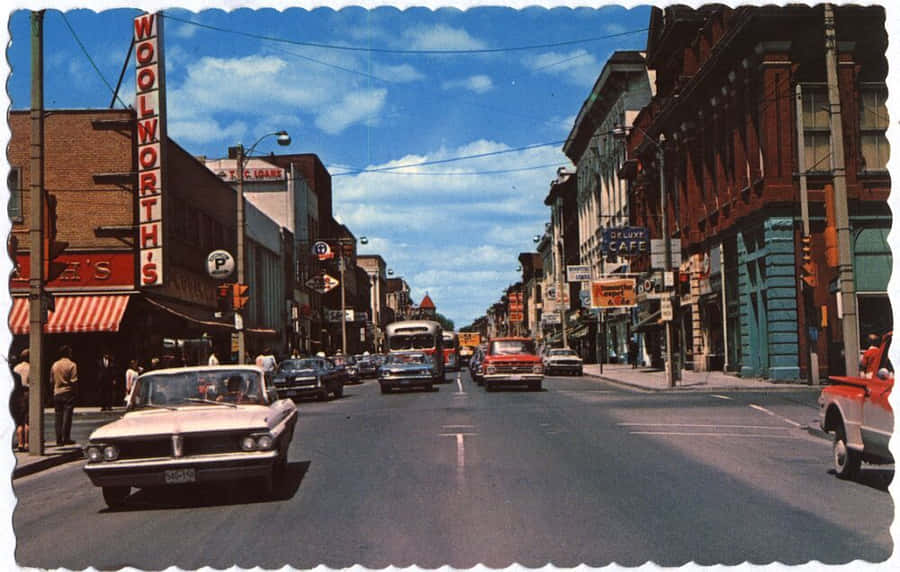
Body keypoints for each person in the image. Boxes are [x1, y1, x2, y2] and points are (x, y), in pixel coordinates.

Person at [50, 345, 78, 446]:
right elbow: (74, 380)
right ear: (68, 353)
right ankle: (66, 437)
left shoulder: (55, 365)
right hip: (68, 391)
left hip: (57, 392)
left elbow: (51, 380)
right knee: (67, 416)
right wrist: (75, 391)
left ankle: (58, 438)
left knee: (58, 416)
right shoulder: (72, 365)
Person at [11, 349, 30, 452]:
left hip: (17, 395)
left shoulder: (16, 368)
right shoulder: (31, 367)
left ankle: (20, 443)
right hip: (27, 393)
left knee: (19, 421)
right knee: (27, 420)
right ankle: (27, 443)